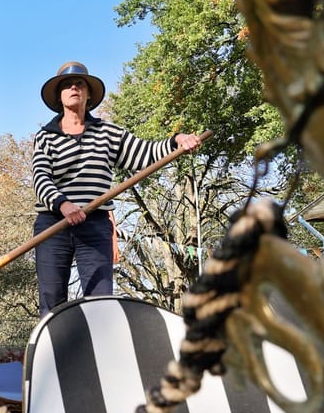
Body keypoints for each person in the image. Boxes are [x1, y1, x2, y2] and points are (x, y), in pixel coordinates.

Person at [31, 61, 203, 315]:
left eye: (80, 83)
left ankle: (99, 354)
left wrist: (176, 141)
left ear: (89, 94)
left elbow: (145, 154)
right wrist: (64, 205)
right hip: (53, 224)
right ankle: (52, 354)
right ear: (59, 95)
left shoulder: (109, 133)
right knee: (52, 299)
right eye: (67, 85)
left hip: (94, 223)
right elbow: (41, 178)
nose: (74, 87)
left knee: (100, 301)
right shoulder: (46, 136)